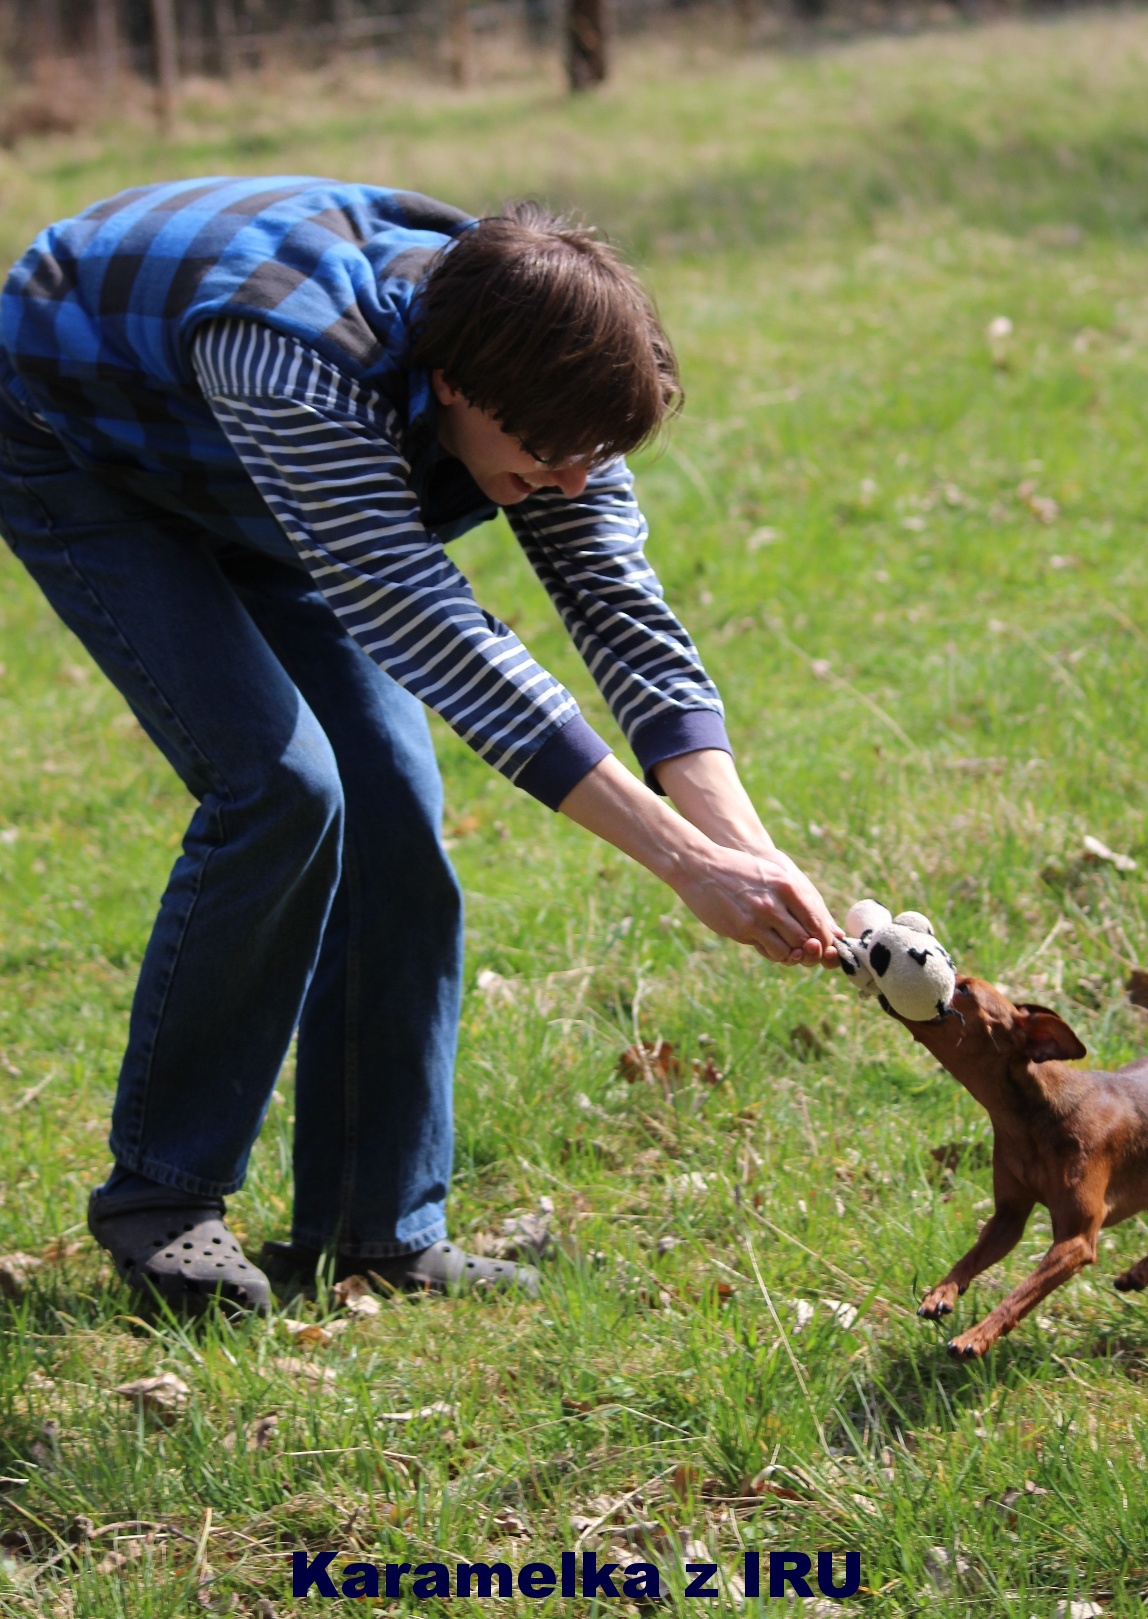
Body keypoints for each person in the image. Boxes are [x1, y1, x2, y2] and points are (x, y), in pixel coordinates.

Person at [0, 178, 841, 1315]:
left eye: (595, 456)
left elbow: (621, 611)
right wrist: (683, 864)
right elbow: (434, 631)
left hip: (271, 470)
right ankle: (164, 1202)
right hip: (82, 436)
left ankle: (374, 1229)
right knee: (281, 783)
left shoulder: (554, 386)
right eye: (550, 457)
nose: (573, 481)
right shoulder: (293, 359)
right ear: (451, 382)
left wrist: (748, 845)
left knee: (392, 796)